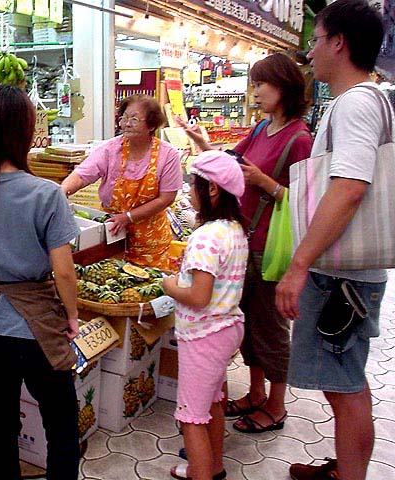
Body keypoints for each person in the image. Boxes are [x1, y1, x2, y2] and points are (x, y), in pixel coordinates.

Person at [276, 2, 390, 479]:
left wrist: (299, 264)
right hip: (344, 275)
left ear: (338, 41)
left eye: (317, 39)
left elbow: (349, 185)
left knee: (345, 388)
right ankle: (345, 469)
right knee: (342, 382)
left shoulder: (357, 103)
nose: (311, 51)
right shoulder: (370, 99)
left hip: (339, 279)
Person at [0, 84, 81, 480]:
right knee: (61, 424)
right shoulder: (46, 193)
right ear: (26, 131)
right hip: (39, 326)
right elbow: (64, 272)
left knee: (2, 423)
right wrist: (72, 316)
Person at [180, 53, 313, 433]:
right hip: (245, 240)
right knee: (247, 321)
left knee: (270, 326)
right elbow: (231, 165)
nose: (254, 92)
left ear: (283, 87)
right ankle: (255, 392)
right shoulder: (260, 130)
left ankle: (277, 403)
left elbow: (307, 199)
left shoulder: (299, 139)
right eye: (253, 84)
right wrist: (203, 144)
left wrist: (267, 184)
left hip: (271, 246)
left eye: (260, 85)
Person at [163, 150, 248, 480]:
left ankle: (202, 471)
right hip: (227, 327)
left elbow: (198, 296)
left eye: (192, 186)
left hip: (203, 335)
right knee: (213, 404)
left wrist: (170, 286)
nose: (188, 192)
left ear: (212, 189)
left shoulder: (206, 235)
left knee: (191, 418)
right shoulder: (234, 229)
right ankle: (212, 467)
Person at [61, 95, 183, 268]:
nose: (126, 123)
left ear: (152, 125)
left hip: (150, 242)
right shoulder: (111, 149)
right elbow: (82, 175)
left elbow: (166, 198)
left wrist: (128, 217)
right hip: (113, 236)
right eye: (124, 117)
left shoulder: (167, 155)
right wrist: (62, 192)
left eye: (134, 119)